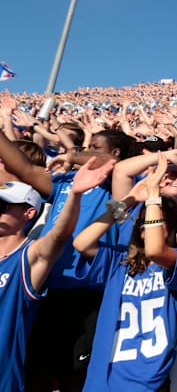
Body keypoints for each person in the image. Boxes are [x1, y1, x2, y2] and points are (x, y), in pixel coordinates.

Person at [71, 155, 177, 391]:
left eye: (157, 220)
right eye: (142, 222)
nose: (146, 224)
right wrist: (128, 202)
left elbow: (156, 249)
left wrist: (153, 198)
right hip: (104, 378)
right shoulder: (119, 263)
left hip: (148, 380)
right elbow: (81, 243)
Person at [0, 158, 115, 391]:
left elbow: (58, 236)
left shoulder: (27, 256)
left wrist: (74, 194)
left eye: (3, 207)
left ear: (29, 213)